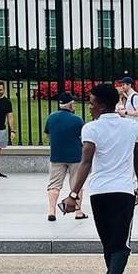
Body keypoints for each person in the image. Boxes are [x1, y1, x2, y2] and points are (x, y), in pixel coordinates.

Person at [63, 83, 138, 274]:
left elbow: (86, 162)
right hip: (123, 192)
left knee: (110, 244)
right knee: (120, 244)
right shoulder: (131, 127)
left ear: (101, 105)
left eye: (91, 103)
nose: (89, 107)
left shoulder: (91, 129)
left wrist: (73, 194)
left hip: (100, 192)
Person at [44, 92, 88, 222]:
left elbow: (47, 134)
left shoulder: (51, 118)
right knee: (76, 185)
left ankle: (51, 211)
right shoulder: (77, 120)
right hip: (75, 156)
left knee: (54, 185)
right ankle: (78, 211)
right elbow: (83, 138)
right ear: (70, 105)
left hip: (57, 155)